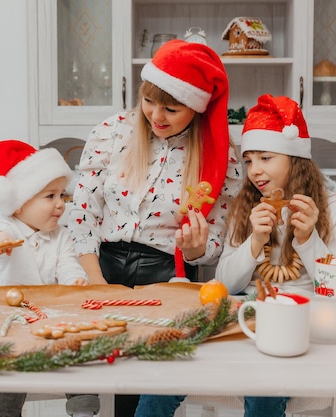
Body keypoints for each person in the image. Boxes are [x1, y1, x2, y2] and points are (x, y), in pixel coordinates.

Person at [67, 39, 242, 417]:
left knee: (142, 388)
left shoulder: (219, 153)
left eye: (172, 108)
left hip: (168, 276)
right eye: (149, 101)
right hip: (100, 265)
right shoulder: (112, 133)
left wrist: (197, 249)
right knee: (86, 371)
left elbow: (220, 242)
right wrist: (96, 281)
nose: (156, 115)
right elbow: (81, 213)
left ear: (195, 107)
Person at [216, 94, 336, 417]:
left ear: (295, 158)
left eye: (265, 157)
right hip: (248, 319)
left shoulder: (335, 209)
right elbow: (223, 283)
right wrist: (254, 243)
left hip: (305, 323)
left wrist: (308, 240)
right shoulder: (244, 207)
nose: (254, 171)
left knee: (266, 378)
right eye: (249, 160)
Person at [0, 139, 98, 417]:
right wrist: (2, 243)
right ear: (18, 204)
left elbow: (68, 265)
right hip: (9, 321)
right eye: (49, 196)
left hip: (49, 320)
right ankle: (6, 413)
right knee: (7, 359)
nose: (60, 205)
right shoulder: (5, 227)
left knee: (78, 349)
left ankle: (84, 408)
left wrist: (75, 280)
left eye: (62, 196)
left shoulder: (62, 236)